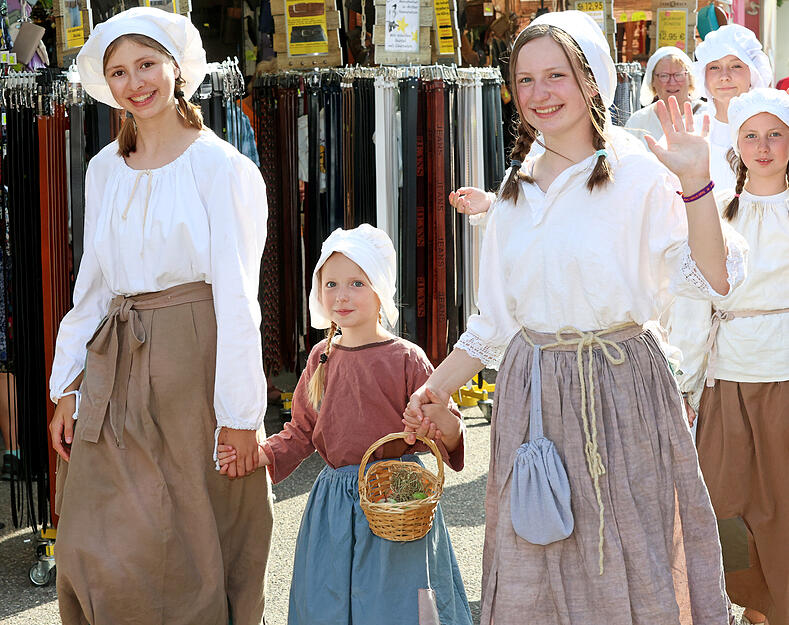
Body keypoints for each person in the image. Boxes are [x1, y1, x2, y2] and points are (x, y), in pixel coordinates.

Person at [403, 11, 748, 625]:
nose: (539, 94)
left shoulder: (641, 169)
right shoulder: (515, 187)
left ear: (593, 82)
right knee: (537, 559)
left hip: (623, 389)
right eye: (526, 79)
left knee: (630, 555)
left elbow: (712, 279)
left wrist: (696, 184)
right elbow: (492, 324)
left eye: (556, 75)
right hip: (531, 393)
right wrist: (433, 388)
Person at [47, 8, 273, 625]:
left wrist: (240, 415)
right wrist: (67, 383)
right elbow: (91, 285)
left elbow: (236, 296)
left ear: (177, 68)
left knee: (192, 538)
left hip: (194, 361)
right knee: (93, 541)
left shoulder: (220, 167)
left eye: (146, 64)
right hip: (116, 358)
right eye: (118, 71)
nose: (134, 82)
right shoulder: (102, 169)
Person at [218, 225, 473, 625]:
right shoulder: (322, 356)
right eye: (331, 282)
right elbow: (301, 431)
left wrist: (434, 424)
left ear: (379, 291)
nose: (341, 295)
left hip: (397, 499)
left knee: (396, 599)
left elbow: (446, 430)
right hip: (334, 504)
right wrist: (259, 455)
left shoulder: (407, 357)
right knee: (330, 597)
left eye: (357, 282)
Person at [669, 88, 789, 625]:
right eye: (751, 136)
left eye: (775, 134)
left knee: (783, 508)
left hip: (785, 378)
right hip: (728, 379)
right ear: (735, 145)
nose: (763, 147)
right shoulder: (717, 213)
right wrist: (685, 384)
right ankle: (751, 603)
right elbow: (695, 304)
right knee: (724, 502)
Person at [693, 24, 773, 191]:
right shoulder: (690, 131)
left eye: (735, 66)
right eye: (714, 67)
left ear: (753, 73)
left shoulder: (775, 132)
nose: (724, 76)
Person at [625, 46, 699, 147]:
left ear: (689, 78)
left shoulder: (707, 114)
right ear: (652, 81)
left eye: (678, 75)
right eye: (664, 76)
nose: (672, 82)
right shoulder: (638, 121)